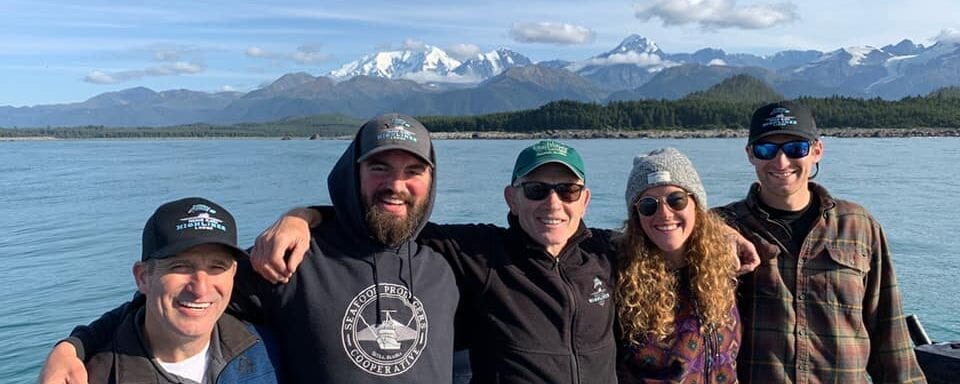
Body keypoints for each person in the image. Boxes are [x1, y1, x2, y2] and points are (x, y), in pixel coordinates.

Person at [251, 140, 760, 383]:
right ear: (511, 198)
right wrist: (303, 217)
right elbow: (394, 219)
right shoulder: (478, 252)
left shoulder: (608, 253)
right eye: (537, 190)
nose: (553, 204)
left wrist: (719, 233)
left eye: (567, 190)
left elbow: (666, 228)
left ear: (585, 200)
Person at [39, 113, 460, 384]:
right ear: (353, 174)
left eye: (413, 170)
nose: (396, 184)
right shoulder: (294, 261)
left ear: (431, 179)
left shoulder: (454, 259)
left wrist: (304, 213)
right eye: (379, 167)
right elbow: (163, 299)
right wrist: (73, 346)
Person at [716, 101, 927, 383]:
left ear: (816, 151)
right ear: (750, 154)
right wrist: (714, 228)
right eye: (766, 149)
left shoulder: (858, 224)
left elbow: (889, 334)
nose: (781, 162)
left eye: (795, 149)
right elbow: (648, 241)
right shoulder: (720, 226)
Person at [41, 197, 280, 384]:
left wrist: (301, 216)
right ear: (143, 277)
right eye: (181, 266)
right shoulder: (94, 376)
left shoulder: (268, 348)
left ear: (234, 273)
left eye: (217, 267)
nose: (201, 288)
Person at [616, 148, 740, 383]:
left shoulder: (725, 264)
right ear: (636, 216)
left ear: (696, 205)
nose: (664, 213)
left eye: (676, 200)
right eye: (648, 205)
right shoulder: (617, 273)